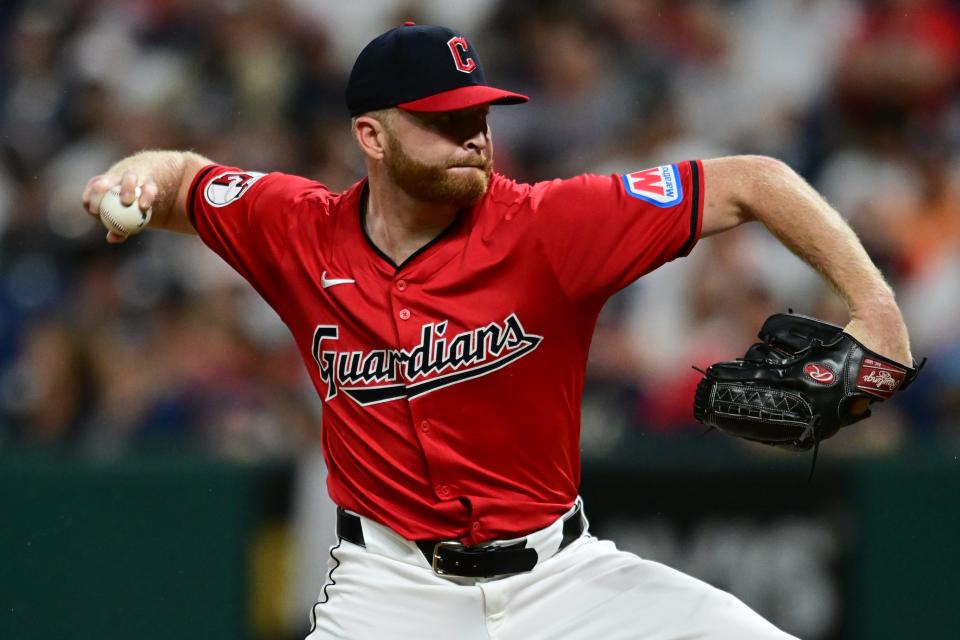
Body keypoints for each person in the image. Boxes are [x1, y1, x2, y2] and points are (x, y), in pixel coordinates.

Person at [82, 23, 912, 640]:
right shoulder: (297, 230)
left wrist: (875, 313)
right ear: (370, 136)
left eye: (478, 112)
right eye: (442, 120)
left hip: (567, 582)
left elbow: (755, 182)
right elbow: (187, 179)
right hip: (391, 592)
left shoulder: (550, 225)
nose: (472, 134)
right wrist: (135, 178)